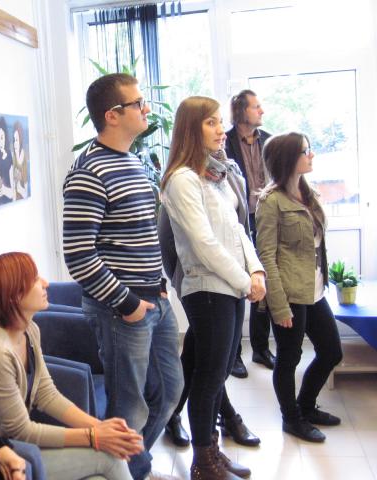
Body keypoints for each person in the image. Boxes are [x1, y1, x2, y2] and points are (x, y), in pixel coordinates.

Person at [63, 73, 183, 480]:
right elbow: (79, 255)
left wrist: (159, 290)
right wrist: (128, 303)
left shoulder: (132, 161)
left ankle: (132, 466)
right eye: (137, 103)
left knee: (170, 391)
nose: (146, 109)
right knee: (129, 409)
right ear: (112, 115)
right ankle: (129, 472)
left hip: (155, 301)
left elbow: (143, 235)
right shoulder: (89, 171)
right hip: (122, 310)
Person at [0, 252, 142, 480]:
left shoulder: (28, 330)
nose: (45, 283)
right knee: (110, 458)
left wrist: (99, 427)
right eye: (35, 279)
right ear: (14, 296)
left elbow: (45, 393)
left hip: (16, 445)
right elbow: (21, 431)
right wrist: (94, 437)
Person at [161, 96, 266, 480]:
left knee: (210, 373)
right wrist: (245, 281)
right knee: (209, 379)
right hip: (207, 290)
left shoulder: (212, 174)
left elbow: (237, 229)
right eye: (211, 123)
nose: (221, 130)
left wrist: (256, 270)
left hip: (231, 287)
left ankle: (212, 452)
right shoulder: (181, 180)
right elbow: (204, 244)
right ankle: (203, 464)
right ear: (191, 129)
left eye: (220, 121)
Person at [256, 132, 343, 443]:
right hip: (289, 293)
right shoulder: (271, 202)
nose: (311, 155)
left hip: (314, 290)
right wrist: (278, 305)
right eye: (306, 150)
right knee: (289, 357)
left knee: (331, 351)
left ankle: (306, 406)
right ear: (288, 158)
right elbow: (266, 255)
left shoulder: (309, 193)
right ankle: (291, 419)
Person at [225, 90, 274, 376]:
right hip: (238, 220)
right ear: (242, 111)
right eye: (256, 107)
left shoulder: (268, 140)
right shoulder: (225, 142)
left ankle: (261, 348)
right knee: (239, 283)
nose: (261, 111)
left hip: (266, 219)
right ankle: (234, 355)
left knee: (262, 281)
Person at [0, 116, 15, 205]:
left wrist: (3, 190)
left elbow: (12, 193)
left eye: (2, 138)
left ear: (6, 138)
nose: (0, 141)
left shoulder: (10, 157)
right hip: (1, 202)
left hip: (10, 202)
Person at [12, 121, 29, 199]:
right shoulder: (13, 156)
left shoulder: (23, 156)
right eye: (14, 139)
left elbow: (25, 191)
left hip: (21, 195)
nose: (15, 142)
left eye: (17, 139)